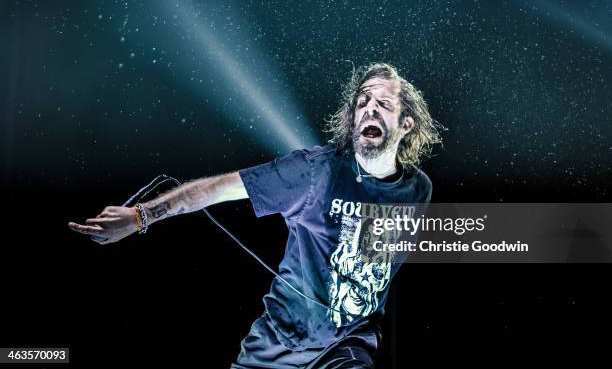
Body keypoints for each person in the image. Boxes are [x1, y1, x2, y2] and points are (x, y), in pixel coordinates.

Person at [68, 62, 443, 368]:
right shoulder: (314, 171)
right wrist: (140, 217)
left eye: (383, 103)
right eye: (362, 102)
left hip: (346, 348)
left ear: (406, 123)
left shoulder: (417, 190)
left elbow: (373, 265)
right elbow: (217, 188)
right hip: (278, 343)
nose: (369, 109)